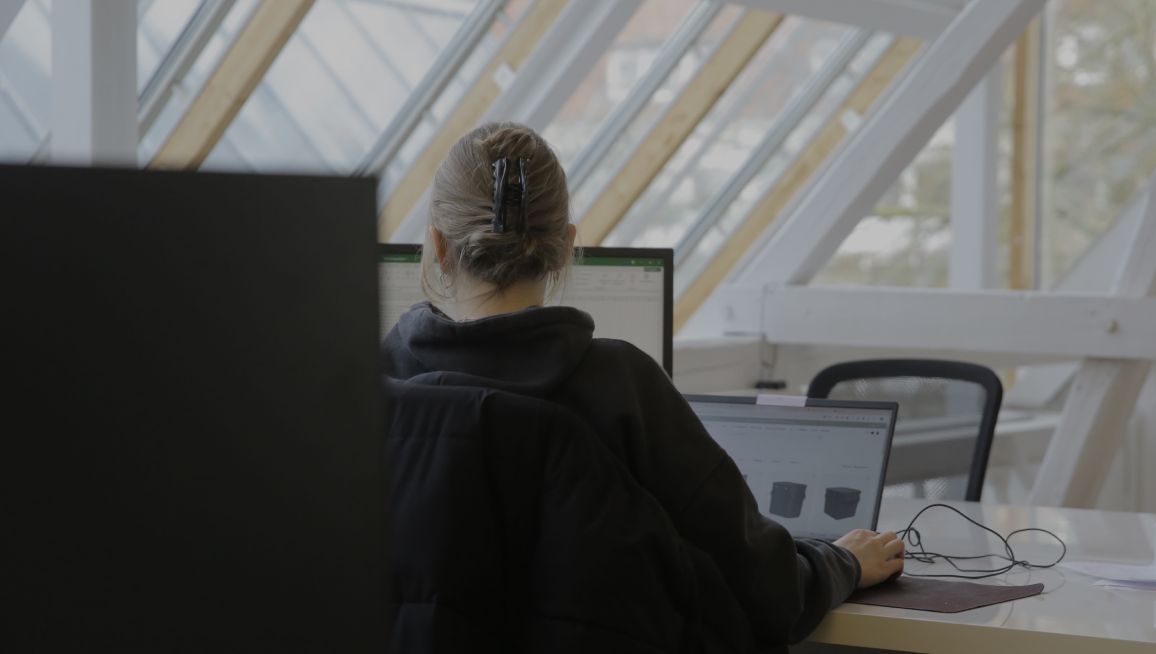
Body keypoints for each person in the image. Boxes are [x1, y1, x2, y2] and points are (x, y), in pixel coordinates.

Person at [382, 121, 904, 652]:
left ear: (439, 247)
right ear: (565, 247)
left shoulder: (373, 386)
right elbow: (767, 591)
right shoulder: (620, 387)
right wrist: (841, 561)